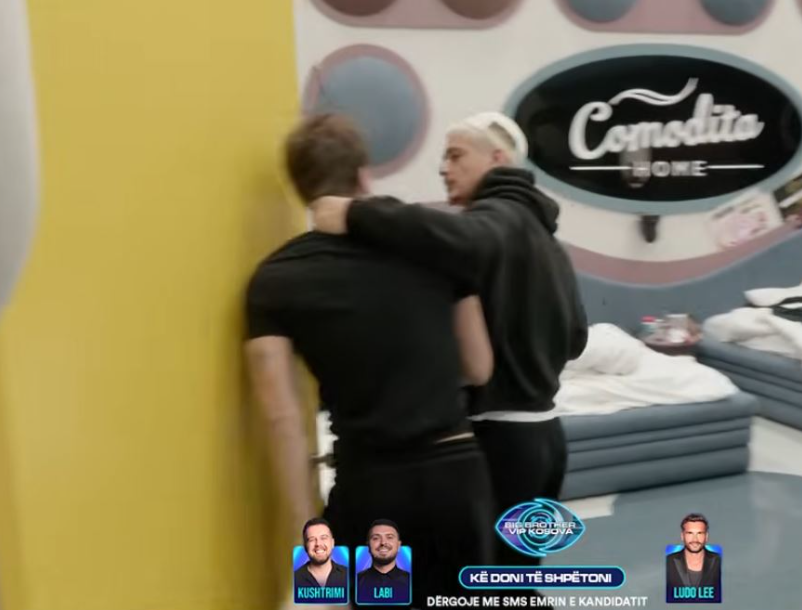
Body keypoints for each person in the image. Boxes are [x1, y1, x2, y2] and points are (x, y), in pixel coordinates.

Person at [310, 111, 589, 567]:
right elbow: (576, 338)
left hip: (500, 442)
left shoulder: (499, 219)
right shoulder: (546, 241)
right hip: (545, 440)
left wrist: (356, 212)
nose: (444, 168)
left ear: (498, 160)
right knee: (514, 578)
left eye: (456, 156)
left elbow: (462, 237)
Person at [245, 114, 496, 606]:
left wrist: (305, 528)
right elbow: (478, 366)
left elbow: (282, 420)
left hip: (373, 485)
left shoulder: (273, 280)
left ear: (300, 190)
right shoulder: (430, 249)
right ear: (363, 176)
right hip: (457, 476)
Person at [666, 514, 722, 603]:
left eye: (699, 533)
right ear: (682, 536)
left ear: (706, 536)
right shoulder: (668, 561)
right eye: (690, 533)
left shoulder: (719, 561)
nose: (695, 539)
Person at [356, 520, 411, 604]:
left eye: (389, 537)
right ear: (368, 546)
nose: (383, 543)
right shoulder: (355, 582)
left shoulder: (412, 582)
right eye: (376, 538)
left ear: (399, 545)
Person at [293, 518, 348, 600]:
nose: (318, 544)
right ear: (305, 546)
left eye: (324, 538)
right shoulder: (294, 579)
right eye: (311, 539)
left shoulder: (348, 576)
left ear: (333, 543)